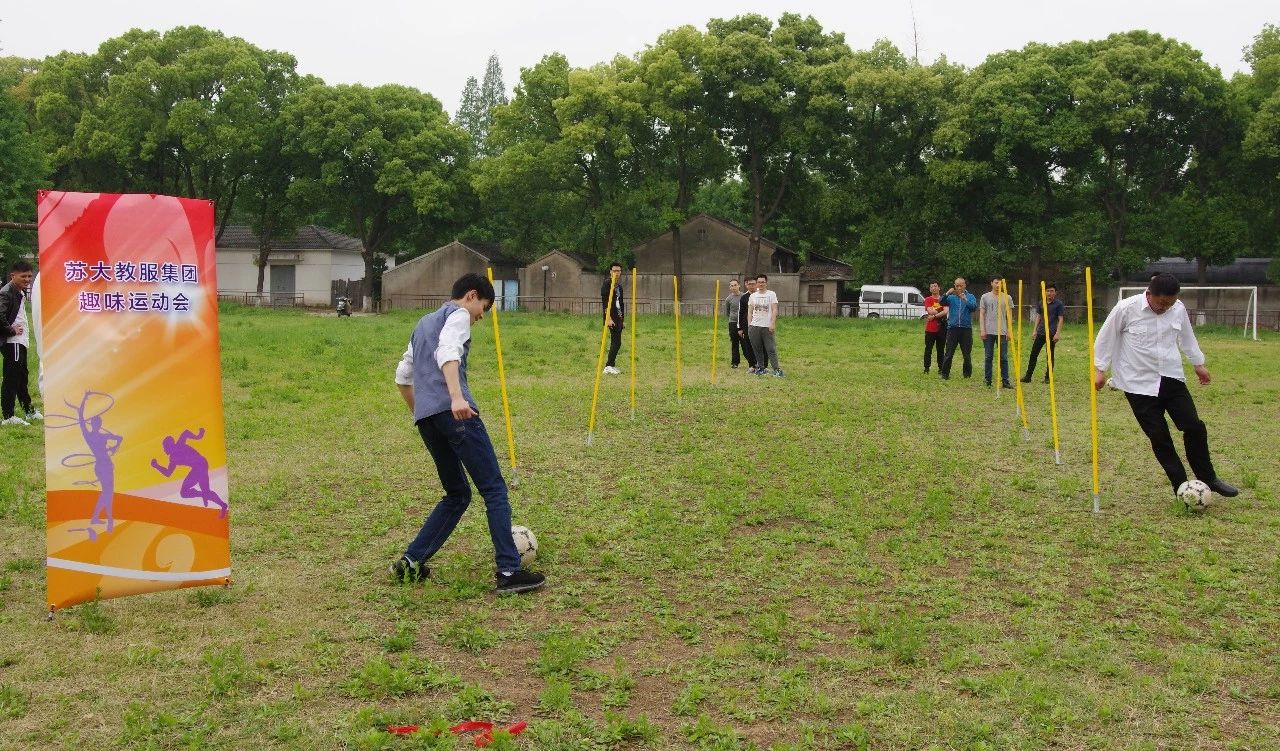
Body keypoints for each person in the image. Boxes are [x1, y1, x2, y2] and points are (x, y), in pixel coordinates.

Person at [391, 273, 546, 594]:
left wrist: (419, 412)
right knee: (494, 489)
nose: (480, 317)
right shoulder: (458, 314)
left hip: (428, 420)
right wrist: (456, 397)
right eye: (484, 309)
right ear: (472, 296)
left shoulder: (422, 324)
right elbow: (448, 351)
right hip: (456, 413)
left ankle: (411, 562)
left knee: (457, 494)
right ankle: (508, 571)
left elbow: (403, 374)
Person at [1093, 273, 1238, 499]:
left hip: (1171, 377)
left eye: (1170, 303)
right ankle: (1181, 485)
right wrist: (1100, 370)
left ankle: (1208, 477)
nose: (1165, 308)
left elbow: (1187, 337)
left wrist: (1198, 364)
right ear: (1149, 294)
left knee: (1194, 426)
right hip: (1137, 384)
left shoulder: (1177, 308)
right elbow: (1105, 338)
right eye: (1162, 303)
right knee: (1159, 437)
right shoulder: (1126, 308)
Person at [1, 260, 40, 426]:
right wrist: (11, 330)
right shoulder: (6, 292)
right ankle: (8, 416)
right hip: (13, 342)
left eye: (30, 276)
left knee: (22, 377)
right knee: (11, 378)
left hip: (20, 342)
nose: (27, 279)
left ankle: (28, 410)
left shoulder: (18, 292)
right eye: (23, 276)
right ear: (13, 276)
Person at [1022, 282, 1065, 384]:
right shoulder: (1041, 303)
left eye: (1051, 291)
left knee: (1049, 356)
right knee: (1033, 354)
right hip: (1041, 332)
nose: (1049, 293)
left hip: (1051, 333)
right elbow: (1038, 317)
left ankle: (1048, 377)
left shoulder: (1058, 304)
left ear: (1055, 293)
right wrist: (1034, 330)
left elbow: (1061, 319)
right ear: (1044, 292)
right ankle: (1028, 376)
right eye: (1047, 291)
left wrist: (1057, 333)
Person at [939, 277, 977, 380]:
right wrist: (947, 293)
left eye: (961, 285)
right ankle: (945, 374)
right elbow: (941, 302)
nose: (959, 288)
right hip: (953, 328)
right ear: (954, 286)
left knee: (966, 354)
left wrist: (965, 298)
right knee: (949, 353)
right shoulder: (951, 297)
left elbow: (973, 307)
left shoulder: (970, 296)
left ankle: (967, 375)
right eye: (957, 286)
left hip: (966, 329)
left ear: (965, 285)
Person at [978, 277, 1012, 388]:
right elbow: (982, 314)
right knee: (988, 356)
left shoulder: (1007, 297)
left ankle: (1005, 381)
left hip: (1002, 332)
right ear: (991, 283)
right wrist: (982, 329)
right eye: (996, 283)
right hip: (988, 331)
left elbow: (1009, 316)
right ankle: (987, 380)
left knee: (1004, 357)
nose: (998, 285)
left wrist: (1009, 331)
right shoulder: (985, 297)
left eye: (1000, 283)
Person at [747, 274, 782, 377]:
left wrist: (772, 323)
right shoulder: (753, 296)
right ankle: (761, 368)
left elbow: (775, 309)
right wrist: (750, 324)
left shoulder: (771, 294)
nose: (761, 284)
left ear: (766, 283)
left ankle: (776, 370)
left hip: (767, 326)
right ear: (757, 283)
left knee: (770, 349)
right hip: (754, 326)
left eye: (763, 282)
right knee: (757, 348)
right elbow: (749, 311)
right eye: (759, 282)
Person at [600, 263, 625, 375]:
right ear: (610, 271)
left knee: (617, 342)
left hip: (618, 317)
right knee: (616, 342)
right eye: (614, 270)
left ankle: (611, 365)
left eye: (618, 271)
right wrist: (608, 318)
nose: (617, 272)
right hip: (611, 317)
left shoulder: (618, 286)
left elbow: (620, 303)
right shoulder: (607, 283)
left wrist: (622, 319)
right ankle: (608, 366)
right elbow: (605, 303)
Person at [922, 281, 948, 374]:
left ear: (939, 288)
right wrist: (938, 313)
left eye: (935, 286)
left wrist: (934, 316)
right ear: (930, 289)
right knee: (928, 349)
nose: (934, 288)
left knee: (940, 349)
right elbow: (930, 310)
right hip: (930, 329)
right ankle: (926, 368)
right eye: (932, 286)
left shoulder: (944, 299)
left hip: (942, 328)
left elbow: (946, 311)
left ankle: (941, 368)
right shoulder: (928, 299)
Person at [724, 279, 746, 368]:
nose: (733, 287)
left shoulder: (744, 296)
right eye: (731, 286)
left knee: (745, 343)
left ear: (739, 286)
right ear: (730, 287)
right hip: (733, 323)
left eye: (735, 285)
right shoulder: (728, 299)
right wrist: (733, 319)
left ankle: (752, 363)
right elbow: (728, 312)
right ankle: (735, 363)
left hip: (743, 323)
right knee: (734, 343)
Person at [737, 278, 758, 371]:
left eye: (753, 284)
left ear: (756, 284)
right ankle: (751, 365)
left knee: (759, 344)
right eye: (749, 284)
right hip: (747, 325)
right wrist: (740, 328)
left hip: (760, 324)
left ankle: (761, 364)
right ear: (746, 285)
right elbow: (740, 313)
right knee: (748, 345)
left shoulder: (761, 295)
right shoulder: (744, 297)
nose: (751, 286)